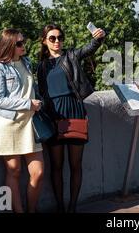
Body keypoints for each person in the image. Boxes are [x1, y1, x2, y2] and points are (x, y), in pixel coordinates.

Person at [37, 24, 105, 212]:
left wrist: (99, 37)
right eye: (52, 38)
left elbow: (90, 47)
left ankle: (72, 206)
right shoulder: (41, 66)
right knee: (56, 165)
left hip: (74, 110)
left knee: (75, 164)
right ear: (44, 41)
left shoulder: (71, 56)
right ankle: (60, 206)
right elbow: (41, 92)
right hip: (53, 115)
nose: (57, 41)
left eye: (60, 37)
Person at [0, 28, 44, 213]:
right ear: (9, 45)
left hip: (30, 124)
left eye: (23, 42)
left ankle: (32, 209)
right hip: (8, 124)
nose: (23, 46)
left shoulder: (26, 62)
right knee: (14, 171)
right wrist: (27, 103)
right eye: (19, 43)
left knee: (38, 172)